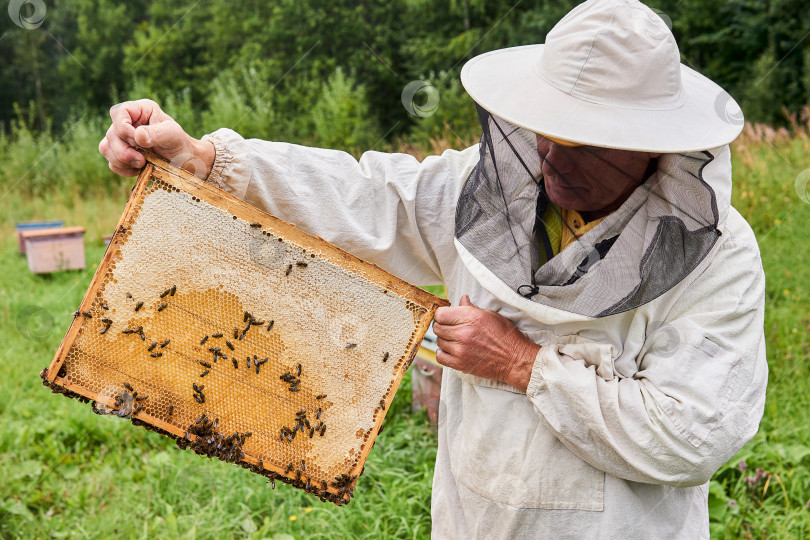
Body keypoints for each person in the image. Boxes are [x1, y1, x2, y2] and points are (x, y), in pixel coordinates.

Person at [99, 0, 767, 537]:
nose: (553, 160)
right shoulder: (485, 192)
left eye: (584, 144)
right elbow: (367, 197)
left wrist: (520, 364)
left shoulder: (718, 256)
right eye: (544, 130)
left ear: (649, 147)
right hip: (470, 520)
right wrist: (205, 160)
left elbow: (692, 434)